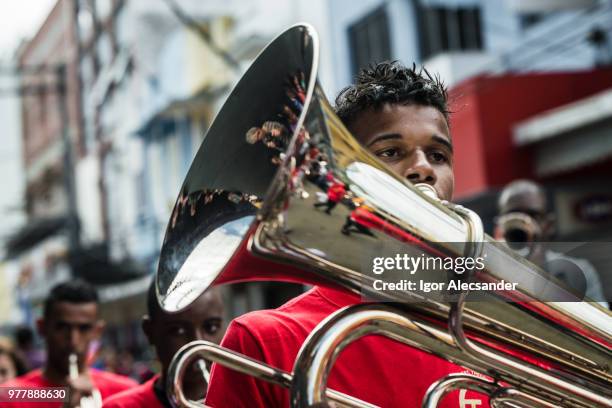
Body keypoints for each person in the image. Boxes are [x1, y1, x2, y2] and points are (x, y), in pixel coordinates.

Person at [205, 61, 489, 407]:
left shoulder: (506, 330)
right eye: (391, 152)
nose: (424, 169)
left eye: (438, 155)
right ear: (341, 180)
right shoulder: (264, 343)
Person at [3, 280, 137, 407]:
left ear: (98, 331)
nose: (73, 340)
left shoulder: (125, 391)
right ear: (42, 328)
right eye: (62, 328)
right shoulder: (13, 395)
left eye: (84, 328)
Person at [102, 282, 225, 408]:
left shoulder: (244, 393)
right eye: (178, 330)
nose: (197, 343)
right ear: (149, 332)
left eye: (211, 327)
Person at [495, 179, 608, 307]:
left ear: (549, 225)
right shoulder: (484, 269)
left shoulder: (581, 272)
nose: (524, 224)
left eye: (533, 215)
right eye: (514, 215)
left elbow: (601, 324)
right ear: (500, 224)